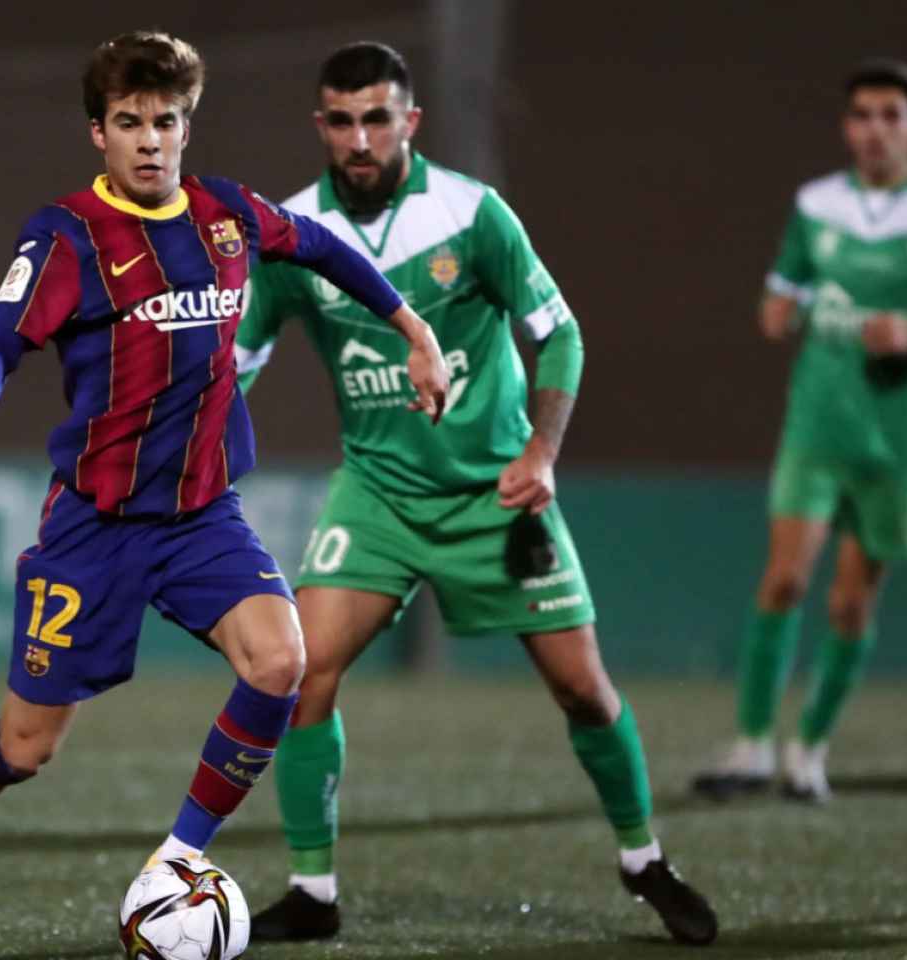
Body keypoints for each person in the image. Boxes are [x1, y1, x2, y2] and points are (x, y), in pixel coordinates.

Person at [0, 31, 452, 923]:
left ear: (189, 127)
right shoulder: (66, 236)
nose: (150, 139)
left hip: (201, 519)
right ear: (97, 135)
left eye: (167, 121)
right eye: (129, 122)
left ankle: (177, 862)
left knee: (281, 662)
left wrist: (410, 324)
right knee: (26, 749)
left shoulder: (226, 214)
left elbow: (320, 246)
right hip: (94, 527)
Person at [232, 42, 716, 946]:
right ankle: (313, 891)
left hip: (495, 493)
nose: (360, 138)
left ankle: (644, 858)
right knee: (300, 675)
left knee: (584, 692)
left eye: (378, 118)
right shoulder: (291, 233)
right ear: (321, 128)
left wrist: (541, 450)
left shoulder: (472, 214)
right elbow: (241, 363)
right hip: (376, 495)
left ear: (409, 122)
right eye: (342, 121)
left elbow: (560, 335)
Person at [693, 59, 907, 803]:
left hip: (897, 438)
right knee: (783, 581)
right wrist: (776, 309)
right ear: (846, 127)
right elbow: (783, 291)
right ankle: (752, 748)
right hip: (817, 425)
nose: (875, 130)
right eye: (863, 115)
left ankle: (810, 752)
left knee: (851, 603)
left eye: (892, 116)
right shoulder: (817, 204)